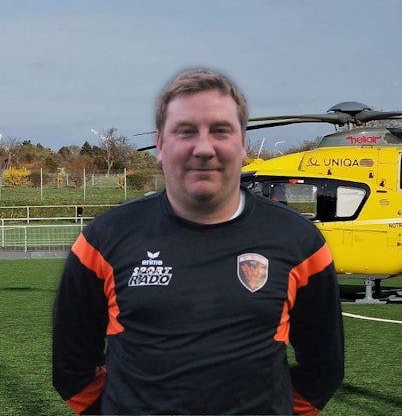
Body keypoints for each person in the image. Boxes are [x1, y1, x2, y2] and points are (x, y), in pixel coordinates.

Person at [52, 69, 344, 415]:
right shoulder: (104, 239)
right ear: (160, 145)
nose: (203, 148)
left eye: (220, 131)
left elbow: (324, 370)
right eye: (186, 131)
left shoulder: (299, 242)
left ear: (243, 144)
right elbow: (71, 369)